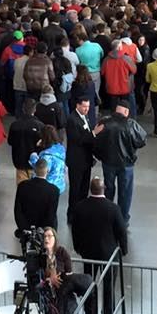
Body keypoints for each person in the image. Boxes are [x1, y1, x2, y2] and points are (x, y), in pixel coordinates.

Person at [70, 177, 127, 314]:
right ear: (104, 189)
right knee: (108, 286)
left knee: (88, 284)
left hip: (88, 252)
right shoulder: (113, 208)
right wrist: (123, 250)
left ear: (90, 189)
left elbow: (75, 230)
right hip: (109, 255)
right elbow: (121, 231)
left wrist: (78, 247)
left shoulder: (80, 207)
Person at [93, 99, 147, 225]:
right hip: (126, 164)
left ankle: (107, 215)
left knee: (108, 189)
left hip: (108, 163)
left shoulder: (104, 123)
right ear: (126, 111)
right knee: (125, 192)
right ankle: (123, 219)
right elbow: (142, 141)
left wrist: (101, 156)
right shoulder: (131, 125)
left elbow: (96, 142)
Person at [41, 226, 93, 314]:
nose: (46, 239)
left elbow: (69, 272)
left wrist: (59, 277)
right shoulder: (40, 256)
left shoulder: (61, 251)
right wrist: (50, 279)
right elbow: (38, 277)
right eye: (44, 236)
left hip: (64, 284)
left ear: (55, 238)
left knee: (73, 281)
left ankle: (88, 286)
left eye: (49, 236)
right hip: (49, 290)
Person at [65, 92, 95, 222]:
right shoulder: (72, 120)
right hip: (76, 161)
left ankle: (81, 212)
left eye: (88, 107)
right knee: (75, 189)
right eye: (84, 107)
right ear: (77, 106)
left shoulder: (85, 117)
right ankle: (72, 215)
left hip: (86, 159)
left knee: (84, 188)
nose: (86, 109)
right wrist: (94, 133)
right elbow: (78, 139)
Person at [14, 158, 60, 234]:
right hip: (43, 231)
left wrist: (24, 228)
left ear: (34, 170)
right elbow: (51, 216)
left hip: (25, 229)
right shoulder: (54, 190)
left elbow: (17, 211)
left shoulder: (22, 186)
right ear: (48, 171)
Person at [8, 97, 45, 183]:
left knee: (22, 186)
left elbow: (10, 141)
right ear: (35, 109)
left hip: (19, 161)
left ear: (23, 109)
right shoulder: (40, 126)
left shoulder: (15, 125)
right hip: (35, 163)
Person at [29, 124, 67, 194]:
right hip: (60, 184)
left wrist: (33, 156)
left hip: (48, 187)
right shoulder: (61, 148)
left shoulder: (47, 156)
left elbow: (41, 168)